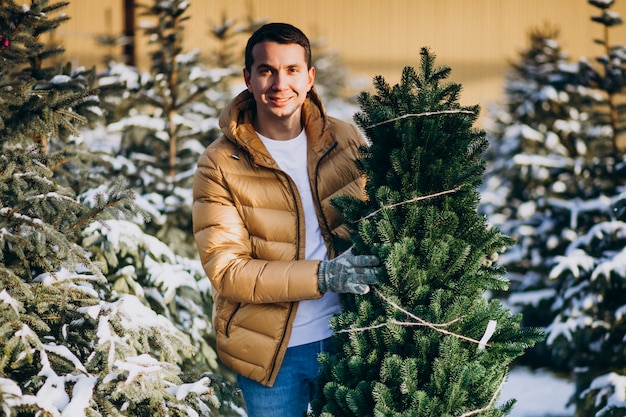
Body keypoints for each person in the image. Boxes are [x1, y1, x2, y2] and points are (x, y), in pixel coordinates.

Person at [192, 22, 380, 417]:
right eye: (267, 70)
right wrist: (323, 277)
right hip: (271, 354)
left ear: (310, 77)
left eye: (292, 70)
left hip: (347, 340)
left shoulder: (345, 141)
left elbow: (380, 216)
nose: (280, 83)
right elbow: (228, 271)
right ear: (248, 77)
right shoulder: (220, 164)